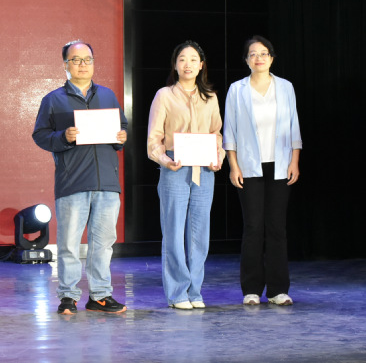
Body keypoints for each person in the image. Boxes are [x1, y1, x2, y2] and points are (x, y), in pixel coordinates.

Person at [32, 40, 128, 315]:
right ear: (65, 65)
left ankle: (100, 295)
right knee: (69, 245)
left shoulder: (107, 95)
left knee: (103, 244)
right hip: (72, 182)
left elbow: (121, 127)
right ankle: (68, 296)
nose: (83, 65)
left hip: (107, 182)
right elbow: (40, 135)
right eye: (76, 60)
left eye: (87, 59)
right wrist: (63, 137)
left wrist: (121, 137)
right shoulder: (53, 99)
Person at [223, 35, 301, 306]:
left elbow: (294, 126)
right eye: (253, 54)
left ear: (271, 58)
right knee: (253, 226)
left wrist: (294, 160)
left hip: (280, 164)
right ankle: (252, 289)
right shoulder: (237, 89)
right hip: (249, 165)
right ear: (246, 60)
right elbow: (230, 130)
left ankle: (279, 290)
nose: (259, 58)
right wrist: (233, 165)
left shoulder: (285, 87)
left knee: (277, 227)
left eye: (264, 53)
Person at [146, 40, 224, 310]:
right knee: (174, 230)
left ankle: (195, 291)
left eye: (193, 59)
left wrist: (218, 158)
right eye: (182, 59)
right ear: (175, 65)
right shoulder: (164, 95)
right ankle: (178, 292)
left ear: (201, 65)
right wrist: (165, 160)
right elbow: (154, 138)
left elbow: (216, 134)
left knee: (200, 232)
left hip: (204, 170)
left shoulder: (210, 97)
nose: (187, 64)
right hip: (175, 168)